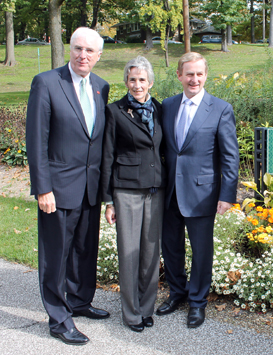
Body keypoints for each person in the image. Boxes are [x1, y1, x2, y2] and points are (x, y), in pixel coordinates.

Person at [26, 27, 110, 345]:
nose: (83, 55)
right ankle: (59, 319)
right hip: (57, 189)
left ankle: (79, 301)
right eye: (77, 48)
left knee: (84, 251)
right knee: (56, 255)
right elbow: (36, 141)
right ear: (69, 48)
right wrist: (42, 188)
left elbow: (97, 140)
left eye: (90, 50)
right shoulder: (46, 83)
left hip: (89, 188)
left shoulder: (101, 87)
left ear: (98, 56)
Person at [156, 52, 239, 328]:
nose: (194, 79)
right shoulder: (167, 106)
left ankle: (197, 302)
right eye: (189, 74)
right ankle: (177, 293)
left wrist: (227, 195)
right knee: (171, 248)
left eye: (199, 74)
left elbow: (230, 156)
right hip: (169, 193)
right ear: (179, 75)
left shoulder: (220, 109)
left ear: (206, 76)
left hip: (203, 194)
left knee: (202, 251)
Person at [100, 56, 165, 332]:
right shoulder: (115, 111)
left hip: (155, 190)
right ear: (126, 81)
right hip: (125, 190)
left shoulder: (161, 110)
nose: (137, 85)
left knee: (151, 254)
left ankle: (146, 307)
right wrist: (109, 200)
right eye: (132, 79)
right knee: (129, 252)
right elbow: (107, 155)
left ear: (150, 82)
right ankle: (131, 312)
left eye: (142, 79)